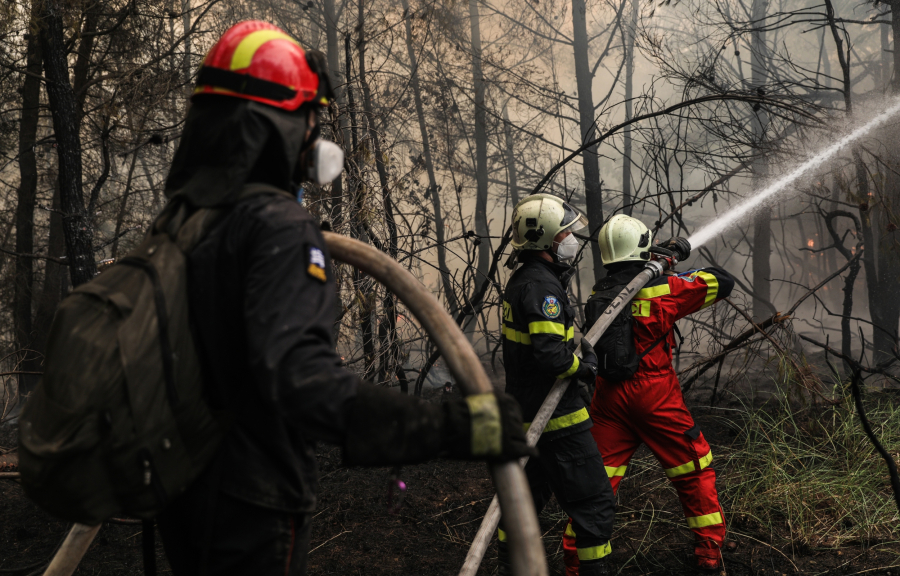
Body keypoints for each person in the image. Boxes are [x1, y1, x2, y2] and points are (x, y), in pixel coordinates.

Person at [156, 20, 532, 576]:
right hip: (252, 508)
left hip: (186, 497)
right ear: (278, 123)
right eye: (310, 117)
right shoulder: (275, 227)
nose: (316, 135)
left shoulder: (184, 224)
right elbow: (301, 381)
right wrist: (454, 426)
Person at [562, 215, 735, 573]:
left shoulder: (599, 293)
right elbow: (722, 281)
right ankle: (708, 553)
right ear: (643, 247)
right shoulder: (664, 289)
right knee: (694, 468)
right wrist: (670, 260)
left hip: (608, 399)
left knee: (596, 484)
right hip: (655, 396)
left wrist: (656, 263)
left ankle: (576, 563)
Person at [498, 194, 616, 576]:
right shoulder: (541, 288)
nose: (571, 238)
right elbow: (552, 358)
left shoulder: (528, 280)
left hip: (527, 414)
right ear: (547, 239)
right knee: (594, 502)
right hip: (556, 419)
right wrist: (583, 368)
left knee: (523, 504)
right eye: (566, 231)